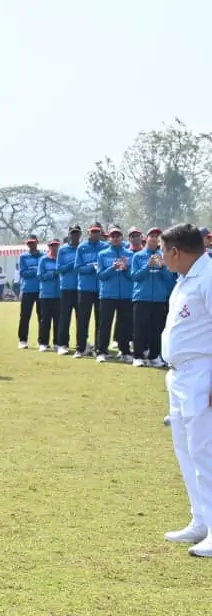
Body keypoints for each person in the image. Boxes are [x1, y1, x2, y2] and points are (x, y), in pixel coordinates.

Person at [159, 224, 212, 557]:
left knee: (205, 451)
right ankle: (201, 520)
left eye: (163, 250)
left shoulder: (208, 277)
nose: (161, 257)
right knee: (187, 449)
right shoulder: (185, 279)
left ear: (176, 251)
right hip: (179, 375)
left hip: (202, 373)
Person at [130, 227, 175, 367]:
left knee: (156, 329)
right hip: (141, 297)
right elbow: (134, 276)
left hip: (159, 298)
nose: (154, 239)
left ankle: (154, 356)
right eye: (152, 236)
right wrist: (148, 266)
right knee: (140, 328)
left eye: (157, 237)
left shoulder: (164, 256)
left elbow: (169, 277)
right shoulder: (138, 256)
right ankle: (138, 356)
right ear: (147, 238)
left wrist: (161, 267)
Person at [95, 225, 133, 362]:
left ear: (122, 238)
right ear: (109, 239)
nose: (116, 238)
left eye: (118, 236)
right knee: (105, 324)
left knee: (124, 325)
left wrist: (126, 268)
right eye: (113, 236)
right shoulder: (102, 254)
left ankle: (124, 351)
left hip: (126, 295)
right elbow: (100, 275)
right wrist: (112, 268)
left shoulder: (130, 254)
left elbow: (132, 276)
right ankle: (101, 351)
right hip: (107, 295)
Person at [73, 224, 106, 358]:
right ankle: (80, 348)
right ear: (88, 233)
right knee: (83, 319)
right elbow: (77, 267)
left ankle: (99, 348)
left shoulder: (105, 247)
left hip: (101, 289)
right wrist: (91, 268)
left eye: (97, 232)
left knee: (101, 320)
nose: (95, 234)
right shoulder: (82, 247)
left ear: (100, 233)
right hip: (85, 288)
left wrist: (100, 268)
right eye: (93, 232)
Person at [56, 226, 82, 355]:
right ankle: (62, 344)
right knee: (64, 317)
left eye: (77, 233)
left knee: (81, 319)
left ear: (80, 234)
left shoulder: (83, 248)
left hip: (80, 288)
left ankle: (81, 344)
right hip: (66, 288)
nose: (75, 236)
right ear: (69, 235)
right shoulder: (63, 250)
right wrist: (72, 265)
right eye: (72, 233)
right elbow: (59, 269)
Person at [36, 239, 62, 351]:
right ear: (49, 247)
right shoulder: (44, 260)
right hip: (46, 294)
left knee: (58, 320)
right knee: (45, 320)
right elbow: (40, 275)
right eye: (52, 245)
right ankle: (43, 343)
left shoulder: (61, 259)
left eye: (56, 245)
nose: (54, 247)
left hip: (59, 294)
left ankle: (57, 343)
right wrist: (52, 274)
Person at [15, 236, 42, 348]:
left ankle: (42, 341)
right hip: (27, 290)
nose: (31, 245)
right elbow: (23, 273)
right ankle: (22, 340)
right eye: (29, 243)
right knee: (25, 316)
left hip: (41, 290)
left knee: (42, 317)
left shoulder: (43, 256)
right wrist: (37, 271)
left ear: (37, 242)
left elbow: (44, 271)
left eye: (33, 242)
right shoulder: (23, 257)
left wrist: (33, 271)